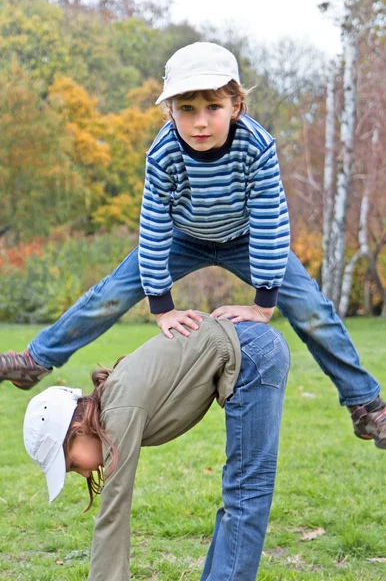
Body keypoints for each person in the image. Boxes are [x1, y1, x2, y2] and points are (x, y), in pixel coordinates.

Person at [2, 42, 385, 447]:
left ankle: (366, 406)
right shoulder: (164, 152)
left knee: (313, 310)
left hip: (244, 236)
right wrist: (162, 308)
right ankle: (36, 360)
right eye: (187, 109)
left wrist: (263, 304)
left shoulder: (256, 146)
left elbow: (270, 222)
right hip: (183, 238)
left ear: (235, 106)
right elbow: (153, 228)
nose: (200, 122)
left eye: (213, 108)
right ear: (171, 111)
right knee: (109, 294)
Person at [23, 314, 290, 581]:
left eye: (71, 464)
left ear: (76, 429)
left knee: (247, 494)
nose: (81, 473)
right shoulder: (113, 402)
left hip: (253, 354)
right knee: (241, 494)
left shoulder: (119, 412)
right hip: (251, 348)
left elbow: (113, 511)